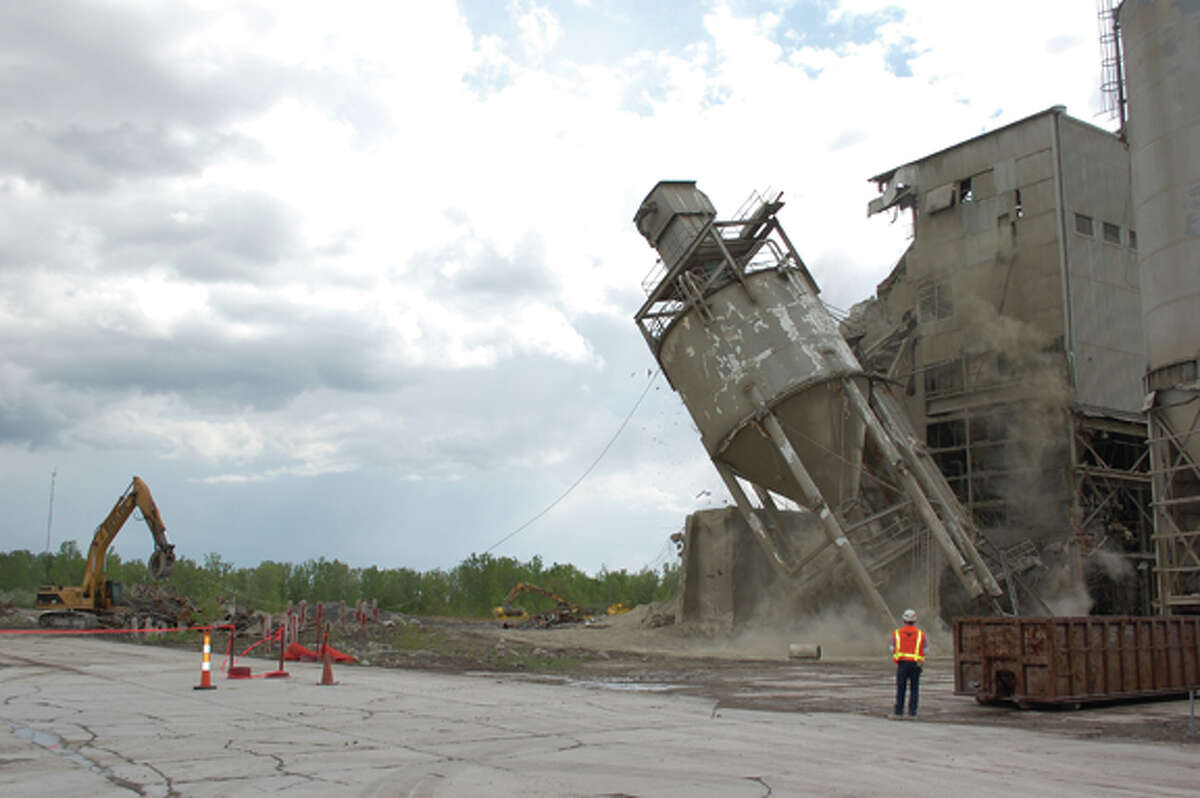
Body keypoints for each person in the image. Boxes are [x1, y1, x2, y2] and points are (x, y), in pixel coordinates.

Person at [890, 608, 926, 718]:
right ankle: (912, 713)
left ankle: (898, 712)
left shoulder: (897, 633)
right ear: (914, 621)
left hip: (902, 664)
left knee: (901, 688)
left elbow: (892, 648)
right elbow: (926, 650)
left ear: (904, 620)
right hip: (916, 665)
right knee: (914, 689)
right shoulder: (921, 634)